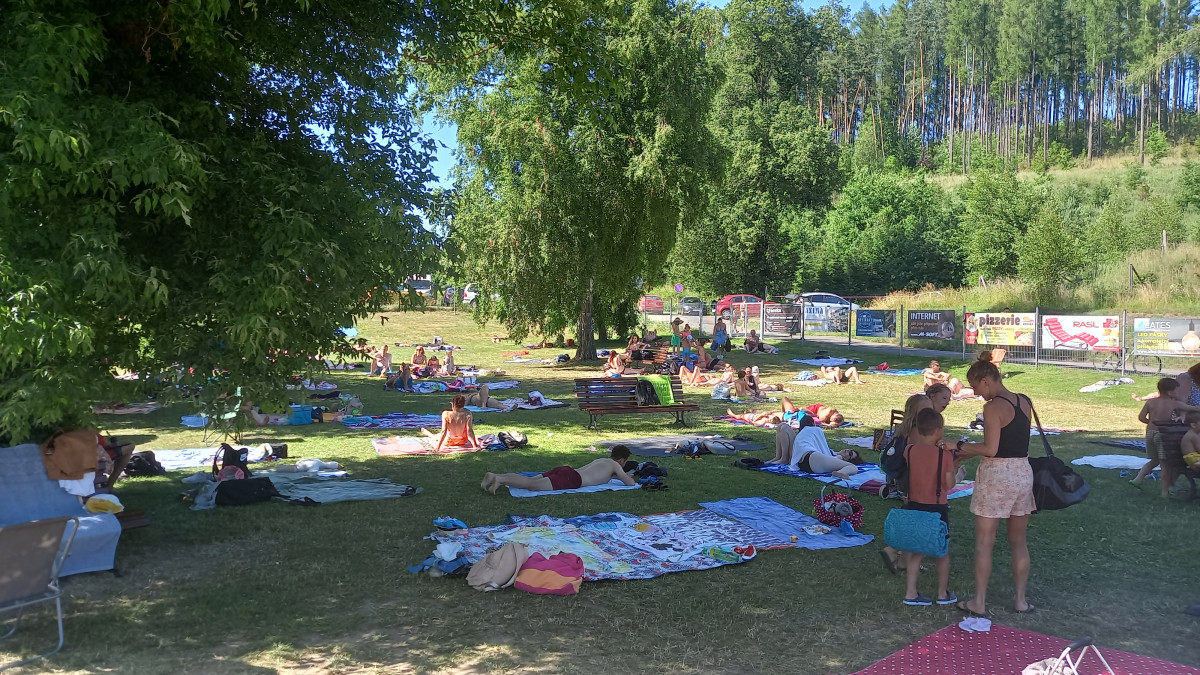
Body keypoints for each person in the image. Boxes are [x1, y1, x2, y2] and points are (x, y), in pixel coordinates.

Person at [954, 350, 1036, 616]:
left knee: (984, 541)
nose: (978, 394)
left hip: (997, 475)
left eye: (977, 387)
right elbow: (1011, 442)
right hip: (1022, 472)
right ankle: (1021, 600)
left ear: (986, 380)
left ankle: (979, 602)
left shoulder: (992, 408)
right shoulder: (1024, 401)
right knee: (1019, 541)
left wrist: (959, 446)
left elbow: (991, 449)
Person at [900, 408, 958, 607]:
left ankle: (911, 592)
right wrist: (957, 473)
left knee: (917, 549)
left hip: (915, 504)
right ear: (939, 431)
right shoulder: (944, 455)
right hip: (937, 507)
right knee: (942, 551)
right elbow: (948, 484)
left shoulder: (909, 450)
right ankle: (942, 593)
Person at [879, 393, 936, 574]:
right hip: (917, 479)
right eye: (925, 409)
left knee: (915, 516)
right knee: (920, 519)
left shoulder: (907, 429)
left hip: (909, 478)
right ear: (915, 413)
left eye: (931, 408)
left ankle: (905, 560)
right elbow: (921, 459)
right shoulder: (918, 432)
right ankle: (893, 550)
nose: (930, 412)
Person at [1131, 378, 1200, 493]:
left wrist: (1152, 423)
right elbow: (1193, 408)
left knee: (1154, 460)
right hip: (1163, 435)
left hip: (1150, 433)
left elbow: (1141, 417)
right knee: (1165, 465)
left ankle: (1137, 479)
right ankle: (1164, 493)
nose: (1178, 393)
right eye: (1177, 391)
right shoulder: (1173, 403)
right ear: (1170, 392)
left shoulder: (1150, 402)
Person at [482, 445, 637, 494]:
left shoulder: (601, 460)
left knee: (531, 480)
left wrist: (617, 476)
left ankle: (495, 475)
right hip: (572, 479)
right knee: (531, 485)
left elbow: (601, 476)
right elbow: (630, 483)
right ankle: (500, 480)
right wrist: (625, 475)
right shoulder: (616, 465)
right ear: (621, 460)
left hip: (566, 470)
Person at [770, 422, 863, 478]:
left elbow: (836, 460)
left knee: (853, 467)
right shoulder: (829, 451)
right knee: (783, 426)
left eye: (850, 454)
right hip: (802, 456)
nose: (848, 451)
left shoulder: (838, 457)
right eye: (850, 450)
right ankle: (779, 457)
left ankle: (840, 473)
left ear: (847, 460)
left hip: (810, 458)